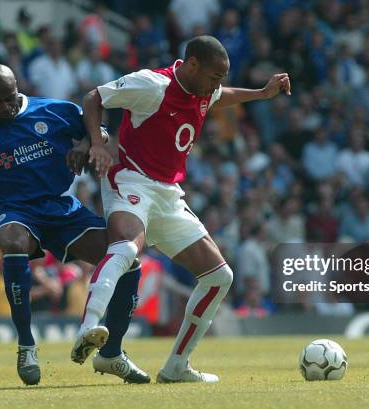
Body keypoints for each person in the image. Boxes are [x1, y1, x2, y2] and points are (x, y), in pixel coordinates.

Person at [72, 35, 291, 383]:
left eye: (221, 78)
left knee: (220, 276)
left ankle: (176, 366)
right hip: (131, 181)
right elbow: (94, 97)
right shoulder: (153, 84)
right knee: (127, 248)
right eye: (214, 77)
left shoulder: (204, 89)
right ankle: (89, 327)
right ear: (192, 65)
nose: (217, 85)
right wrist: (98, 145)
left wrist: (260, 94)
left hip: (169, 195)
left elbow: (222, 96)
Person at [0, 64, 149, 386]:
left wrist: (85, 146)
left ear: (19, 88)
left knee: (127, 260)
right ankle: (27, 345)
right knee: (12, 241)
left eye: (11, 98)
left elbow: (99, 131)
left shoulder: (54, 110)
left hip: (60, 207)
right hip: (12, 208)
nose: (6, 107)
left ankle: (112, 354)